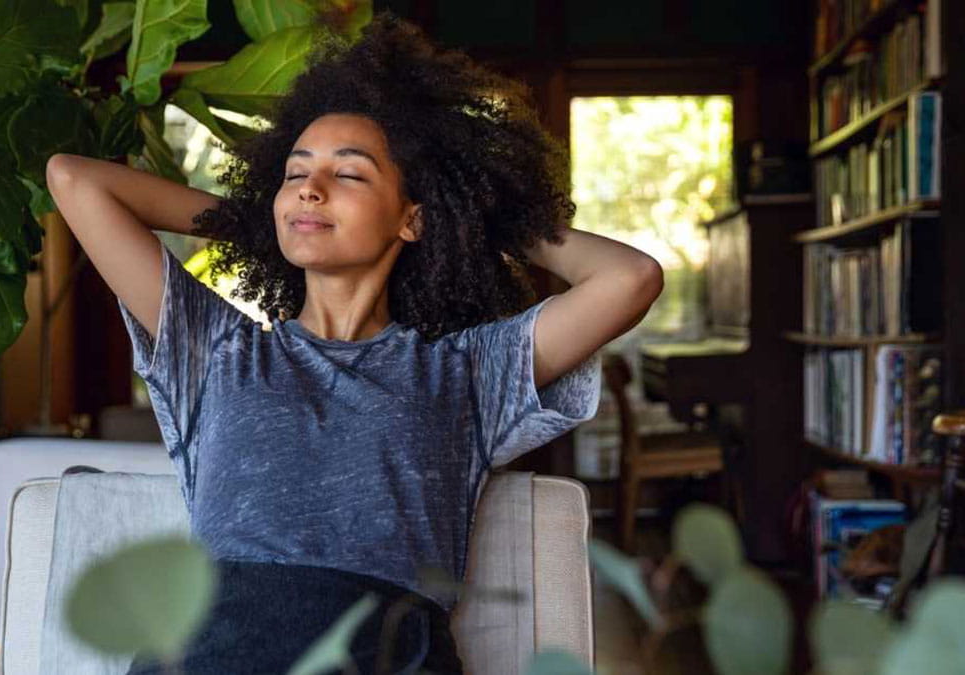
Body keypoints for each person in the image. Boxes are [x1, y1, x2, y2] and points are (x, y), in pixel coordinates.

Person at [46, 11, 663, 674]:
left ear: (412, 218)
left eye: (350, 174)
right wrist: (257, 220)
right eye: (294, 174)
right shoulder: (215, 347)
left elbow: (631, 278)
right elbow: (75, 180)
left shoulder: (464, 373)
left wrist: (481, 215)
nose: (310, 187)